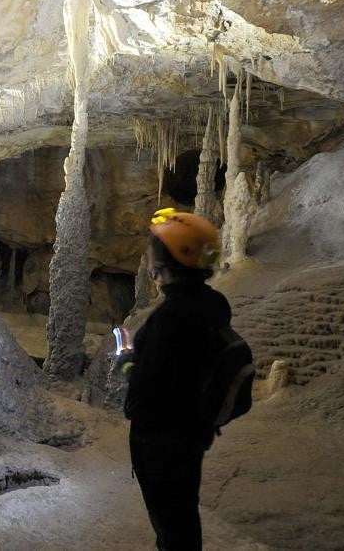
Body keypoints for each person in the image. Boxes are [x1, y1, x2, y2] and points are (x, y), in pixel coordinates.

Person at [118, 207, 227, 551]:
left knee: (172, 526)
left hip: (161, 440)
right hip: (194, 433)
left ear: (168, 260)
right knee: (182, 516)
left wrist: (126, 360)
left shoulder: (171, 319)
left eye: (153, 248)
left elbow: (148, 386)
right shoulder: (214, 304)